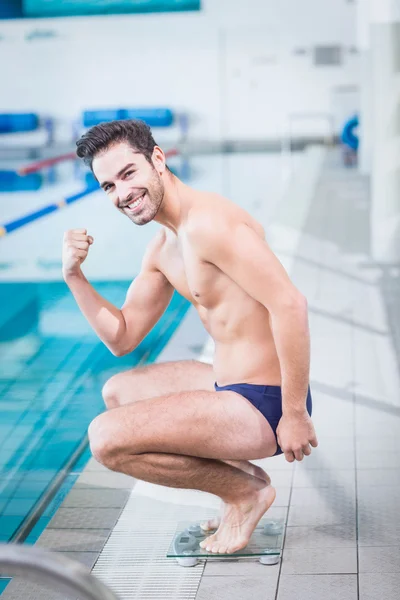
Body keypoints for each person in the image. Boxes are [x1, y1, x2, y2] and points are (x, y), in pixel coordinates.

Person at [63, 119, 318, 555]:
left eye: (128, 174)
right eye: (108, 186)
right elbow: (121, 338)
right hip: (229, 385)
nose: (122, 195)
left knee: (105, 439)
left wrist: (294, 413)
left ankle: (245, 494)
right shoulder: (165, 245)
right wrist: (74, 275)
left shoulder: (209, 225)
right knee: (118, 391)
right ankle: (241, 485)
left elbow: (290, 305)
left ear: (157, 159)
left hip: (265, 405)